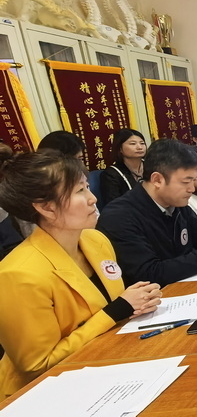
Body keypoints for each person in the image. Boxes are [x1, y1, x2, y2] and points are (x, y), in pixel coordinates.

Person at [0, 151, 161, 397]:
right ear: (46, 207)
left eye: (87, 187)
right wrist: (117, 310)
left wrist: (138, 303)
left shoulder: (95, 240)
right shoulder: (18, 274)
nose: (93, 198)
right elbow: (37, 366)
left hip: (109, 363)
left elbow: (112, 305)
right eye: (79, 191)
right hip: (48, 393)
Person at [96, 139, 197, 287]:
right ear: (157, 180)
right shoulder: (119, 217)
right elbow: (150, 273)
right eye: (186, 182)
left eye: (193, 180)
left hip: (186, 284)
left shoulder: (176, 203)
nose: (192, 189)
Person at [99, 129, 146, 206]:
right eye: (133, 144)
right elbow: (114, 205)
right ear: (120, 148)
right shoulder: (111, 174)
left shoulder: (153, 165)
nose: (140, 147)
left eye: (142, 143)